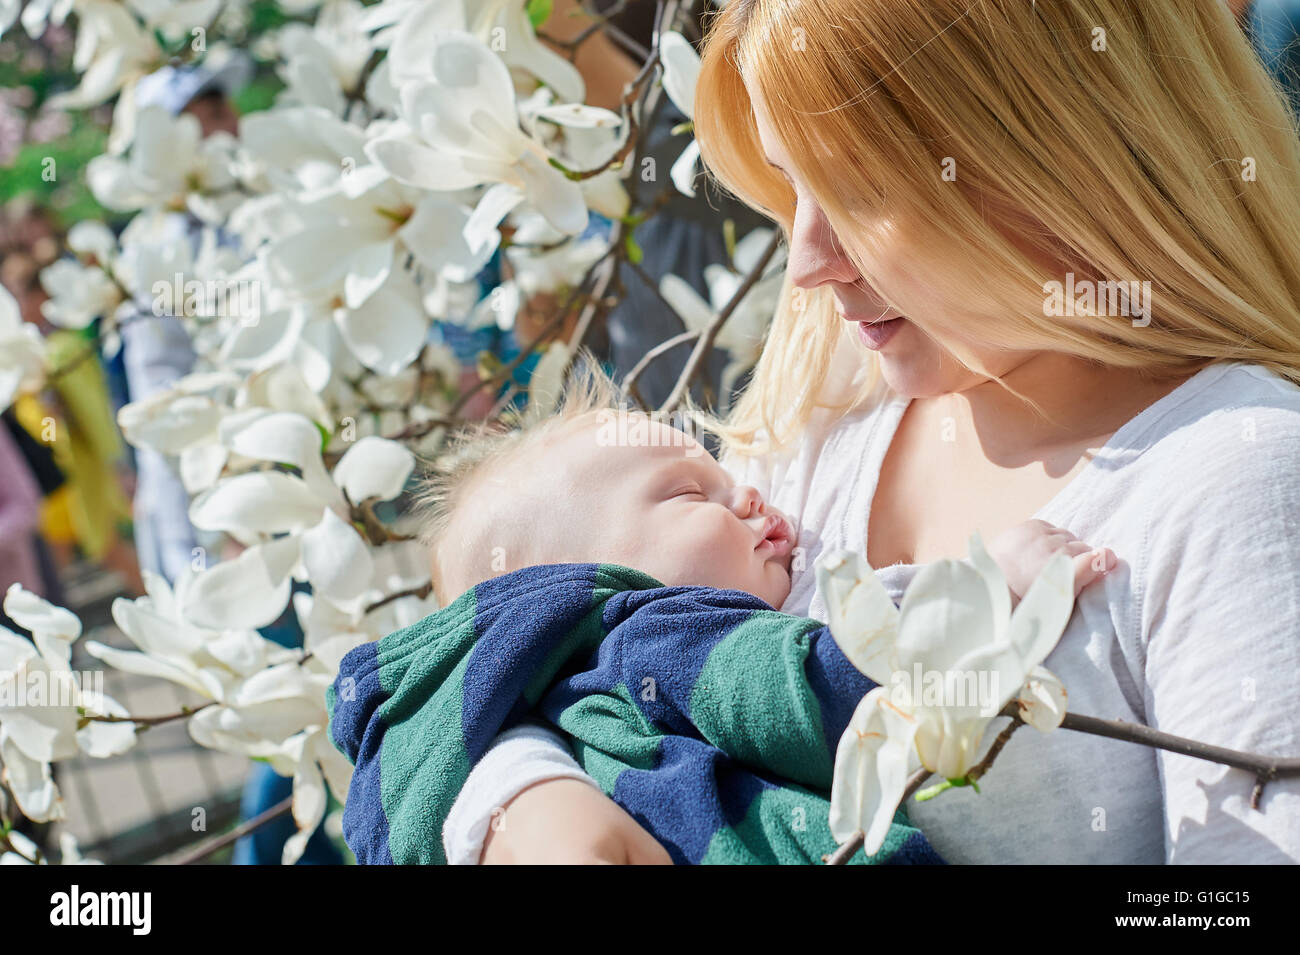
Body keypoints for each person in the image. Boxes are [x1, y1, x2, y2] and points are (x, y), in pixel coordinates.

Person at [442, 0, 1300, 865]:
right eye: (793, 185)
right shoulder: (818, 424)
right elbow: (553, 667)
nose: (806, 259)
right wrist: (522, 788)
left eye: (861, 189)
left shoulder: (1234, 477)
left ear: (1058, 150)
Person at [328, 367, 1111, 864]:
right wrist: (983, 592)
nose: (749, 493)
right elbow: (808, 688)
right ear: (583, 584)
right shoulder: (651, 632)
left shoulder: (577, 714)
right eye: (689, 492)